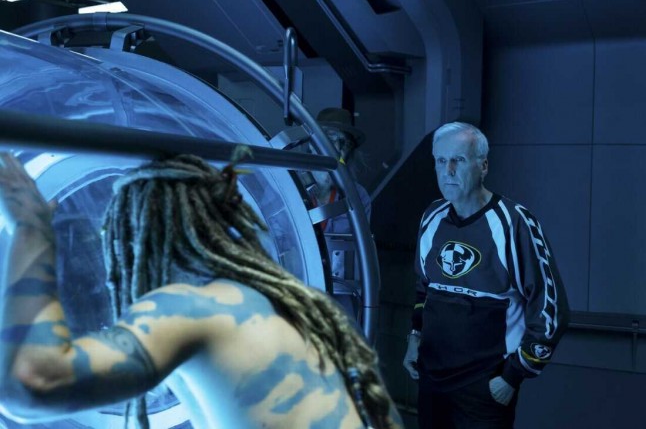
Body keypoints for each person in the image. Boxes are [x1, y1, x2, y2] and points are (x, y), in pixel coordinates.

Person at [0, 150, 403, 429]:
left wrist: (32, 228)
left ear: (138, 239)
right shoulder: (294, 305)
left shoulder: (191, 308)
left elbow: (31, 382)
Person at [402, 122, 570, 428]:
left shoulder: (514, 223)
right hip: (432, 379)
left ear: (483, 166)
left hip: (485, 386)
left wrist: (513, 375)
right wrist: (415, 337)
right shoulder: (432, 217)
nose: (448, 171)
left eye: (459, 160)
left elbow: (550, 308)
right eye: (441, 160)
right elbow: (424, 289)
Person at [310, 107, 372, 322]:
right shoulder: (290, 187)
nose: (334, 149)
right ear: (312, 143)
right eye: (327, 139)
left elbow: (357, 252)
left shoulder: (358, 196)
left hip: (339, 300)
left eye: (342, 143)